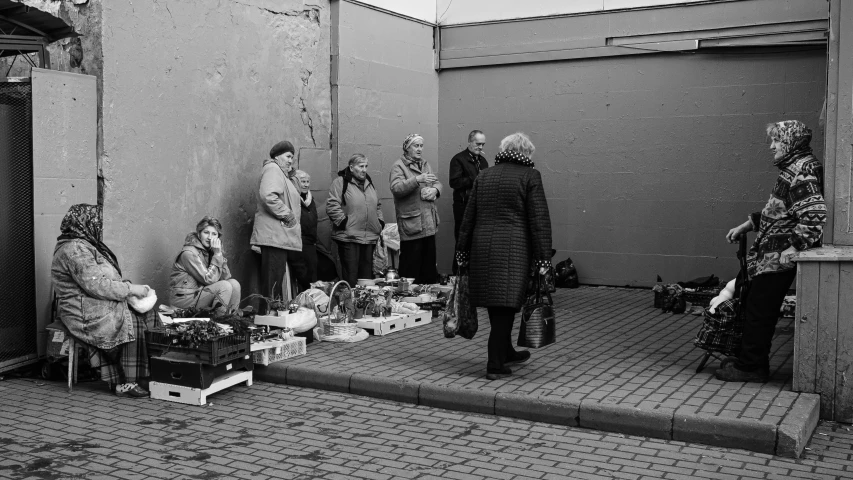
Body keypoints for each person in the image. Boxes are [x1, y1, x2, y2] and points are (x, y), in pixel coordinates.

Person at [715, 120, 826, 383]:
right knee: (754, 305)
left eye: (777, 140)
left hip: (777, 257)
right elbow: (779, 211)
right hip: (768, 256)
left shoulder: (803, 171)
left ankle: (752, 367)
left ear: (791, 141)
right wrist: (748, 224)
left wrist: (793, 247)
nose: (772, 146)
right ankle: (747, 359)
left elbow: (814, 214)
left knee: (760, 312)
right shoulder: (794, 168)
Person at [456, 132, 552, 381]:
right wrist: (543, 259)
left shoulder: (484, 175)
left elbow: (469, 217)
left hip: (482, 248)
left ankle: (506, 351)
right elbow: (538, 219)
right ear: (526, 153)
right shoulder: (530, 176)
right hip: (513, 250)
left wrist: (462, 251)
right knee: (506, 307)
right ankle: (494, 363)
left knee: (498, 305)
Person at [51, 204, 156, 397]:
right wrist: (130, 289)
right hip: (81, 311)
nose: (100, 226)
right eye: (97, 222)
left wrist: (127, 289)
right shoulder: (74, 249)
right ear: (84, 223)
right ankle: (127, 381)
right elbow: (97, 285)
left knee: (148, 316)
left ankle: (145, 374)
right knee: (129, 321)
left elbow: (104, 281)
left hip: (95, 303)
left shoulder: (87, 245)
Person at [250, 141, 302, 305]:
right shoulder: (273, 169)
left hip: (278, 236)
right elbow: (268, 196)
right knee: (272, 283)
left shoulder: (281, 174)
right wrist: (287, 215)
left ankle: (271, 318)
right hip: (273, 236)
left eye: (292, 158)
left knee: (274, 283)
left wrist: (291, 176)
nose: (290, 161)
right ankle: (267, 321)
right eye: (287, 156)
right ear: (276, 157)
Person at [390, 134, 442, 284]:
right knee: (411, 268)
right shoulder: (398, 166)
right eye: (416, 146)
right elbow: (396, 188)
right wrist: (417, 180)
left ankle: (428, 300)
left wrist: (435, 191)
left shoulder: (425, 164)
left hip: (429, 224)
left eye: (421, 146)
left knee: (429, 268)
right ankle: (409, 300)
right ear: (407, 148)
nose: (420, 149)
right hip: (412, 226)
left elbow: (437, 183)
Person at [326, 154, 384, 286]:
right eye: (361, 166)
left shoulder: (370, 184)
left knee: (366, 281)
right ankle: (348, 306)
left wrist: (379, 223)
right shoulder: (340, 182)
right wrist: (344, 223)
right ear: (351, 168)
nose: (364, 169)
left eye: (366, 166)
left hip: (369, 237)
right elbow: (332, 205)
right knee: (351, 280)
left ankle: (364, 306)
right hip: (349, 238)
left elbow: (378, 205)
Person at [169, 216, 241, 315]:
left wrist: (218, 254)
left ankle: (231, 321)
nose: (210, 237)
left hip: (199, 293)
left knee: (234, 284)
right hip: (186, 299)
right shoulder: (189, 253)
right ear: (199, 234)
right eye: (206, 232)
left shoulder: (211, 251)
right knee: (224, 286)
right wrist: (217, 255)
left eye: (214, 234)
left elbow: (226, 277)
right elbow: (208, 279)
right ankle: (218, 324)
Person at [449, 130, 488, 273]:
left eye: (483, 144)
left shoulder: (482, 161)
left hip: (479, 206)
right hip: (463, 206)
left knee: (476, 242)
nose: (481, 147)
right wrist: (476, 178)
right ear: (470, 142)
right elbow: (454, 182)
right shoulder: (458, 159)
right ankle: (458, 275)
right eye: (478, 144)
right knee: (462, 241)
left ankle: (472, 275)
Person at [289, 170, 319, 291]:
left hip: (310, 244)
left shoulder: (310, 199)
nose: (306, 185)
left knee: (313, 276)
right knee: (302, 276)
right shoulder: (292, 199)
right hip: (297, 243)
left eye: (307, 182)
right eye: (302, 182)